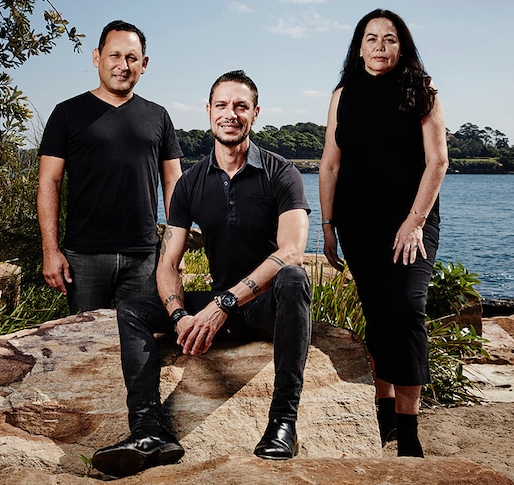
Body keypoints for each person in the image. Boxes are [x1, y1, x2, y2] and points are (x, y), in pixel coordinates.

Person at [91, 70, 312, 478]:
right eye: (222, 105)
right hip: (218, 305)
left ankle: (284, 422)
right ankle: (149, 429)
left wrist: (224, 303)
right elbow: (168, 263)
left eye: (241, 106)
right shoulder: (190, 183)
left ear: (255, 114)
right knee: (132, 308)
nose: (231, 114)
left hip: (265, 308)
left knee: (294, 279)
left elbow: (291, 251)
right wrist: (179, 316)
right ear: (208, 111)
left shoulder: (282, 173)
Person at [318, 9, 449, 458]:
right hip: (358, 223)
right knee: (377, 313)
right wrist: (328, 225)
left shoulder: (422, 91)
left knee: (407, 310)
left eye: (389, 39)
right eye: (371, 39)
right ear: (359, 47)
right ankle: (384, 407)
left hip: (412, 221)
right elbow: (330, 163)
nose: (379, 46)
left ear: (402, 46)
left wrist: (414, 222)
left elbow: (438, 162)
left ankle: (409, 429)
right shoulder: (343, 95)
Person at [37, 20, 183, 313]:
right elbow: (48, 183)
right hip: (84, 256)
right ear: (97, 57)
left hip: (144, 256)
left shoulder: (159, 116)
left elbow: (174, 184)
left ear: (144, 64)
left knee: (144, 340)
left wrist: (172, 256)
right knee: (85, 343)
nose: (123, 65)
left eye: (132, 58)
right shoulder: (67, 113)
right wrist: (50, 251)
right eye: (114, 55)